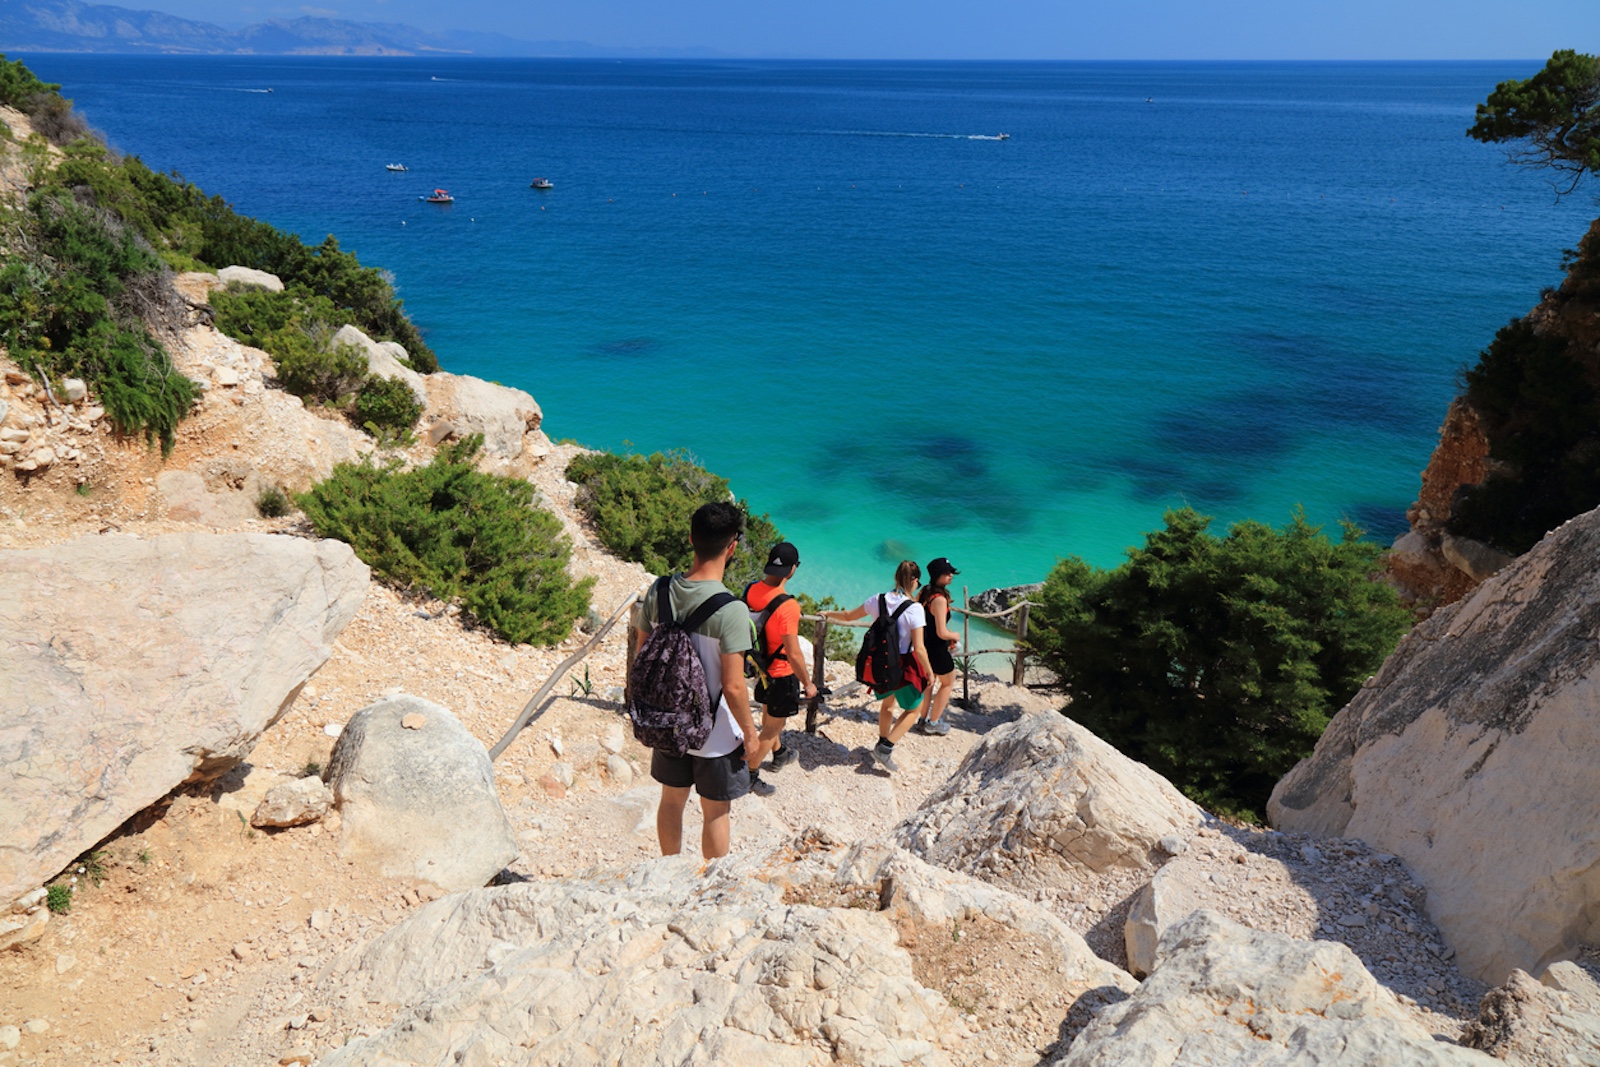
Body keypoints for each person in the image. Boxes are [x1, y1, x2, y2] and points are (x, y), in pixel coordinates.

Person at [634, 502, 757, 860]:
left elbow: (642, 655)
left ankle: (670, 871)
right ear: (732, 547)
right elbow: (734, 687)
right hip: (715, 734)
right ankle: (707, 889)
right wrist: (750, 734)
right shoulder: (732, 610)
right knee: (715, 811)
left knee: (671, 801)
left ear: (691, 539)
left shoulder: (659, 591)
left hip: (668, 721)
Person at [822, 560, 934, 773]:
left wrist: (827, 613)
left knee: (888, 704)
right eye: (917, 583)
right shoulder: (915, 609)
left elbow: (848, 616)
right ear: (914, 581)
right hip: (903, 664)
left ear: (896, 577)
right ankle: (885, 747)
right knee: (913, 709)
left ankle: (881, 742)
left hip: (879, 663)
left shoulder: (877, 599)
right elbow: (919, 648)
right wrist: (929, 671)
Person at [742, 541, 817, 796]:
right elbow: (794, 652)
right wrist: (808, 683)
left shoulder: (750, 590)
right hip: (781, 674)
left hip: (759, 667)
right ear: (792, 569)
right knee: (772, 726)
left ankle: (780, 753)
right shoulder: (788, 606)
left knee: (769, 715)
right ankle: (748, 775)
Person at [916, 558, 961, 735]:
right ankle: (933, 723)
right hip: (937, 648)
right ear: (937, 575)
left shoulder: (924, 591)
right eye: (947, 573)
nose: (950, 576)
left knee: (929, 683)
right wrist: (954, 636)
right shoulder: (940, 600)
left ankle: (922, 719)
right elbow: (942, 632)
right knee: (948, 682)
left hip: (923, 645)